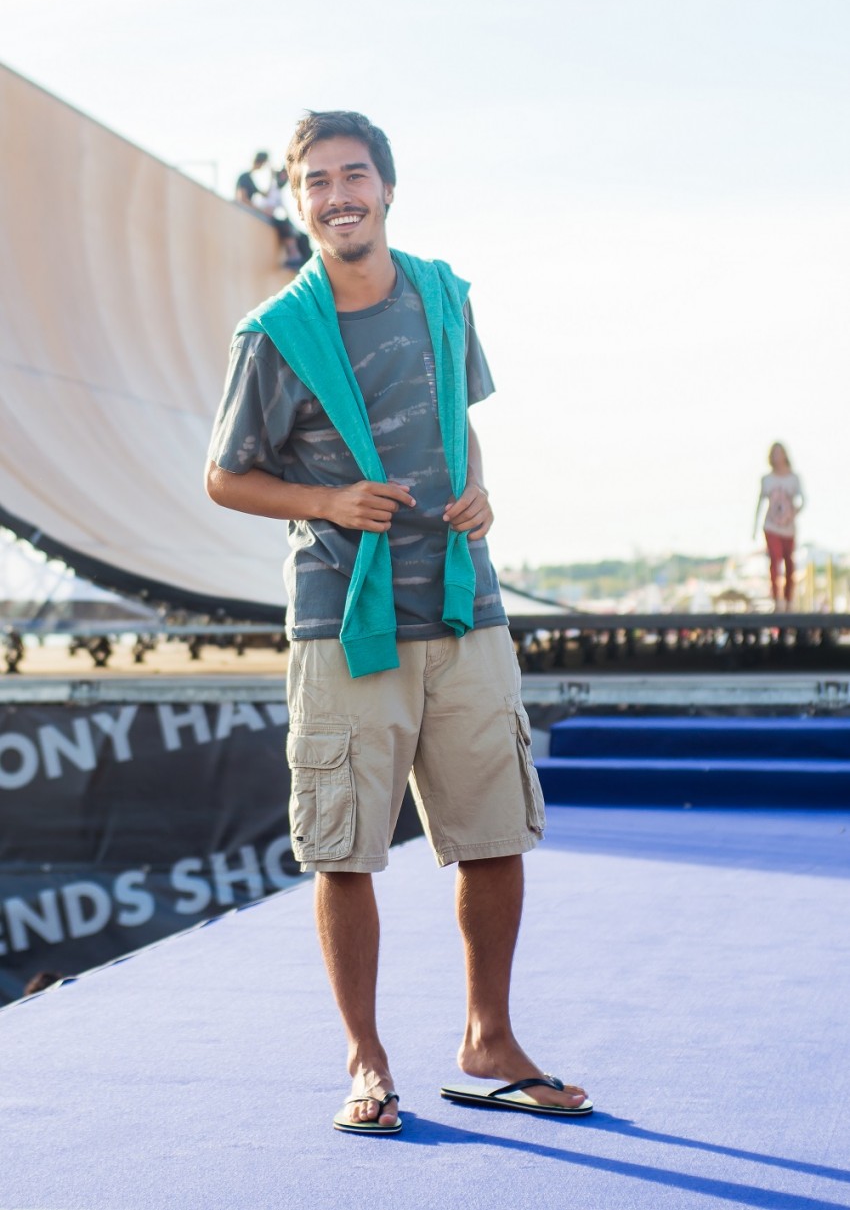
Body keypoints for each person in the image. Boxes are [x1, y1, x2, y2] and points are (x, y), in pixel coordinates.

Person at [206, 110, 591, 1134]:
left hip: (464, 601)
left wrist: (480, 489)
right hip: (344, 616)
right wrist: (329, 502)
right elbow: (225, 475)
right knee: (344, 848)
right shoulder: (273, 334)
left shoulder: (442, 295)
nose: (338, 195)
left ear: (386, 186)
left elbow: (458, 416)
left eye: (354, 175)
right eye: (318, 181)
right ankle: (366, 1060)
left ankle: (488, 1041)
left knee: (495, 833)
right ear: (300, 201)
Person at [754, 442, 804, 611]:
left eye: (779, 453)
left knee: (789, 562)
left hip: (788, 528)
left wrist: (795, 512)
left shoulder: (794, 479)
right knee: (775, 560)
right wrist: (754, 528)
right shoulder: (767, 479)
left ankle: (789, 600)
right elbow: (759, 503)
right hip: (771, 527)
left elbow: (803, 500)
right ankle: (777, 600)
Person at [235, 151, 304, 267]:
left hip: (257, 212)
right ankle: (293, 254)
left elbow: (266, 194)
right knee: (283, 225)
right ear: (262, 162)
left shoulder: (253, 179)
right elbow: (242, 199)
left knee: (294, 230)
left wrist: (272, 175)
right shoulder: (245, 177)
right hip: (247, 213)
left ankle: (296, 256)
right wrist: (262, 210)